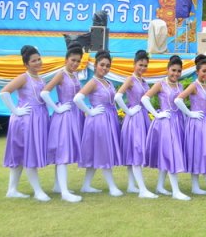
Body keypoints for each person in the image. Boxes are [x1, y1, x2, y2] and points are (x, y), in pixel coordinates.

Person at [0, 45, 51, 201]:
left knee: (22, 155)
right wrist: (16, 110)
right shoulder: (24, 77)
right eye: (33, 61)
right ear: (26, 64)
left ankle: (12, 190)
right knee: (28, 155)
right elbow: (4, 92)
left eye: (39, 59)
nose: (37, 63)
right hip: (26, 121)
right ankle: (37, 191)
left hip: (37, 118)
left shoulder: (40, 78)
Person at [74, 50, 123, 197]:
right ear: (95, 65)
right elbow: (77, 98)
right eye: (102, 65)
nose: (105, 68)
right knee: (104, 151)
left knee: (98, 151)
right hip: (99, 120)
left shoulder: (107, 82)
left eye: (108, 65)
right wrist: (90, 111)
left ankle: (86, 185)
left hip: (109, 118)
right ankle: (112, 186)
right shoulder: (93, 82)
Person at [174, 54, 206, 199]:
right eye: (204, 71)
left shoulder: (205, 86)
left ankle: (196, 187)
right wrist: (190, 113)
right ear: (197, 71)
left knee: (200, 152)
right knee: (204, 152)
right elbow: (178, 100)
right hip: (197, 124)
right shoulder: (194, 86)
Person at [40, 42, 85, 203]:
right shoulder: (61, 74)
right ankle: (64, 192)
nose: (75, 64)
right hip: (64, 116)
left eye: (78, 61)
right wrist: (57, 108)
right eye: (73, 60)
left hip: (74, 115)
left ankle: (58, 186)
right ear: (66, 59)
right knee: (63, 153)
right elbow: (45, 92)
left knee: (65, 151)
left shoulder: (74, 75)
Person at [142, 55, 190, 200]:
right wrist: (157, 114)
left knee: (169, 154)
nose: (175, 74)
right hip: (165, 123)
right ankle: (176, 191)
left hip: (178, 122)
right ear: (168, 69)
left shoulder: (180, 86)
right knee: (172, 154)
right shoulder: (160, 84)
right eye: (173, 70)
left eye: (178, 71)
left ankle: (160, 186)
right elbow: (144, 98)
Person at [114, 50, 157, 198]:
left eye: (145, 65)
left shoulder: (143, 81)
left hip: (143, 117)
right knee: (136, 151)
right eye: (140, 65)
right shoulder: (130, 79)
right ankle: (142, 189)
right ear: (134, 64)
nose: (142, 68)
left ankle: (132, 185)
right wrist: (128, 111)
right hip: (134, 119)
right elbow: (118, 96)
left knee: (136, 151)